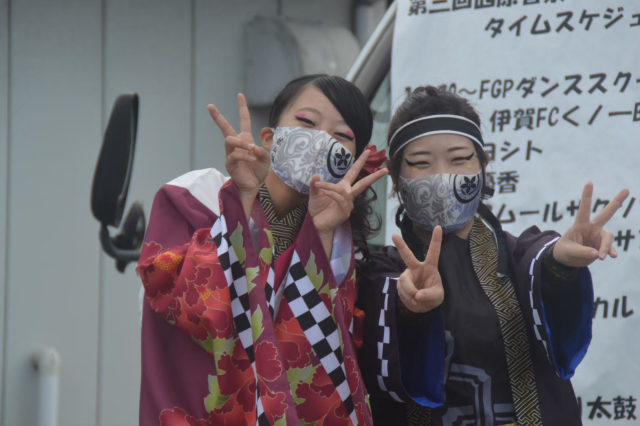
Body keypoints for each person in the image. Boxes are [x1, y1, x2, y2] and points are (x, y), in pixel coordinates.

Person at [356, 86, 629, 426]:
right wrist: (410, 308)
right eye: (421, 163)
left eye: (459, 159)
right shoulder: (382, 274)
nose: (442, 176)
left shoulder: (521, 257)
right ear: (396, 178)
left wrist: (560, 267)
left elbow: (542, 264)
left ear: (484, 167)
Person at [137, 74, 387, 426]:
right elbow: (188, 306)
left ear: (352, 162)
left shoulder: (343, 248)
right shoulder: (196, 195)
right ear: (270, 137)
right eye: (307, 122)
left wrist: (319, 233)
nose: (322, 140)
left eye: (342, 136)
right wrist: (246, 199)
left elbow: (320, 364)